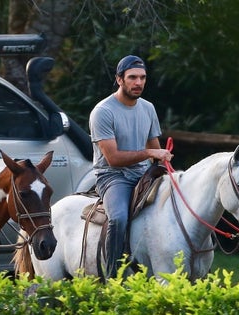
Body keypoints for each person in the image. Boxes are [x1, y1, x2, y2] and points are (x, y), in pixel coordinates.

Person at [89, 55, 173, 278]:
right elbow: (113, 159)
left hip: (143, 173)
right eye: (132, 77)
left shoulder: (148, 108)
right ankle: (112, 277)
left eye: (143, 78)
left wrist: (164, 165)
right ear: (119, 80)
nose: (139, 83)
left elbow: (155, 150)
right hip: (112, 177)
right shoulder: (103, 111)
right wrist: (149, 153)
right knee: (118, 217)